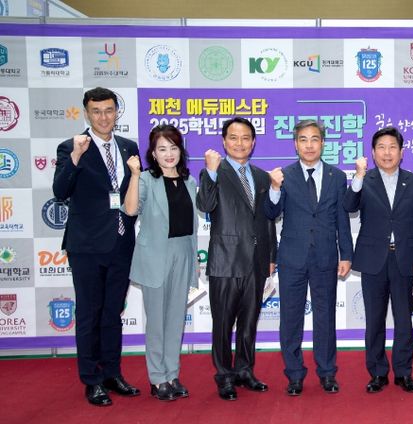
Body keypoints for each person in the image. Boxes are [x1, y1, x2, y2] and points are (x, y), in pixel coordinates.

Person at [52, 87, 140, 406]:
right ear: (86, 113)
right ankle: (91, 379)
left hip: (121, 242)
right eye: (96, 111)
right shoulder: (71, 146)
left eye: (109, 110)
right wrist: (75, 157)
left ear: (117, 112)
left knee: (113, 313)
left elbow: (131, 193)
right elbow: (61, 191)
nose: (103, 117)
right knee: (89, 313)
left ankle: (112, 373)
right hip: (87, 246)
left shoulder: (128, 146)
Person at [264, 119, 353, 396]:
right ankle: (294, 374)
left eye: (315, 139)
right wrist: (274, 188)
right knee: (291, 318)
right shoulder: (283, 176)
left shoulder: (337, 177)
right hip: (292, 257)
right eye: (303, 139)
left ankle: (327, 372)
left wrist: (346, 254)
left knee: (325, 317)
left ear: (323, 143)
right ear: (295, 144)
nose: (309, 145)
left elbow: (342, 219)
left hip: (326, 256)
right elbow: (271, 213)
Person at [344, 126, 413, 394]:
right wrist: (358, 176)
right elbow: (349, 205)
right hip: (373, 260)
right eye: (381, 147)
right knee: (375, 320)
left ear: (402, 152)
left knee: (404, 320)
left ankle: (404, 373)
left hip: (405, 259)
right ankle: (378, 373)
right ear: (373, 152)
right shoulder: (364, 179)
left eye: (393, 147)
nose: (387, 152)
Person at [196, 117, 277, 401]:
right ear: (224, 141)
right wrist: (210, 171)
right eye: (233, 137)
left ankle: (244, 370)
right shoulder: (213, 172)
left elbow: (267, 219)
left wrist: (271, 255)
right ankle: (224, 376)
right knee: (223, 323)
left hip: (257, 261)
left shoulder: (262, 176)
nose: (239, 143)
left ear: (253, 143)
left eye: (245, 138)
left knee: (249, 322)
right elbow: (205, 205)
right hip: (226, 260)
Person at [123, 125, 198, 402]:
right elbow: (131, 209)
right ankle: (157, 378)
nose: (169, 154)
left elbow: (192, 225)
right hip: (155, 255)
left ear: (181, 151)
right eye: (162, 149)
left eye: (173, 147)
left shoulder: (189, 181)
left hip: (183, 253)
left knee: (176, 320)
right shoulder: (146, 179)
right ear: (153, 154)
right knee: (156, 321)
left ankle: (172, 374)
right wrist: (134, 175)